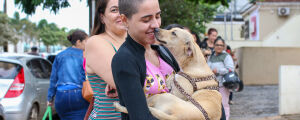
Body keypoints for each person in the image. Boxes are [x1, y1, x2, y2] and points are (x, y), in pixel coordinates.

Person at [111, 0, 180, 119]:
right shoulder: (124, 59)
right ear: (125, 20)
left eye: (158, 16)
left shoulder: (163, 51)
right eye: (146, 20)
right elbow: (140, 116)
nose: (156, 25)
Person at [84, 0, 127, 119]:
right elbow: (125, 82)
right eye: (114, 10)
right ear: (102, 17)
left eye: (124, 8)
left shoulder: (135, 42)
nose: (121, 14)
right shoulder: (96, 42)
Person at [47, 30, 89, 120]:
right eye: (86, 41)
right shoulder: (85, 55)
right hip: (79, 95)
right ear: (78, 42)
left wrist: (50, 98)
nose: (87, 44)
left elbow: (53, 79)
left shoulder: (59, 55)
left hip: (61, 96)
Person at [207, 38, 234, 120]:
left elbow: (230, 69)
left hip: (223, 85)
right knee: (213, 105)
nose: (219, 46)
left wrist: (218, 71)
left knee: (224, 104)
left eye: (221, 45)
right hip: (212, 85)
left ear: (224, 46)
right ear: (214, 46)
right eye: (217, 45)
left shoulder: (226, 56)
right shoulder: (210, 56)